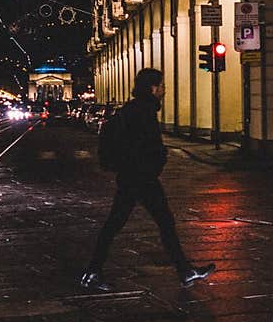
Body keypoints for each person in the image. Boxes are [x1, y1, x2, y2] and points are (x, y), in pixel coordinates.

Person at [80, 67, 215, 292]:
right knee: (146, 224)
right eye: (161, 86)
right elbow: (145, 146)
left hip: (134, 177)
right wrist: (156, 161)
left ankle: (184, 271)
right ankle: (93, 271)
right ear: (152, 88)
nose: (164, 90)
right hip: (140, 178)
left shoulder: (134, 109)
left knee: (146, 223)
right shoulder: (143, 111)